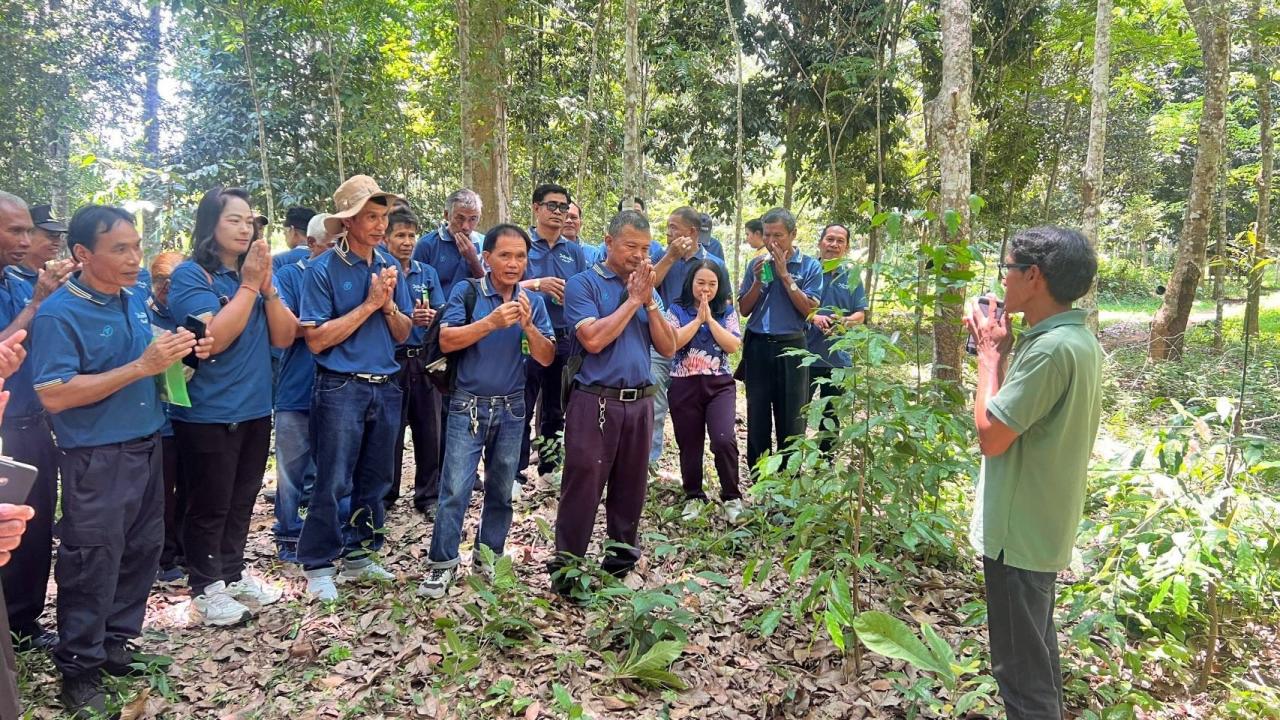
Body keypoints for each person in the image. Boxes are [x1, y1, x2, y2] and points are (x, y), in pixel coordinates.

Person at [31, 204, 211, 717]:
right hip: (95, 457)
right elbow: (56, 394)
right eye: (120, 249)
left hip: (145, 442)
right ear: (83, 254)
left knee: (140, 548)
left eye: (136, 245)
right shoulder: (60, 314)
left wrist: (181, 351)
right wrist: (140, 366)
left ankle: (115, 641)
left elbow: (150, 359)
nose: (135, 258)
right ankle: (78, 667)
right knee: (93, 558)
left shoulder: (131, 301)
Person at [965, 226, 1101, 720]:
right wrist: (998, 355)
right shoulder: (1076, 341)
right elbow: (1011, 417)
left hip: (1017, 534)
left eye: (1008, 269)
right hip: (1042, 526)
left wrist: (986, 355)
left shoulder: (1049, 351)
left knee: (1020, 674)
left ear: (1034, 276)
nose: (1003, 281)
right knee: (1035, 661)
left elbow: (992, 436)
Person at [168, 187, 296, 626]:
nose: (245, 229)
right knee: (210, 503)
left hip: (256, 406)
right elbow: (213, 340)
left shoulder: (254, 279)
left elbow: (284, 337)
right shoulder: (191, 276)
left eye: (249, 221)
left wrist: (268, 289)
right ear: (210, 226)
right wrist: (247, 286)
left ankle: (233, 573)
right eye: (233, 220)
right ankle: (206, 587)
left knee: (241, 498)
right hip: (208, 411)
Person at [418, 224, 555, 598]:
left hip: (512, 409)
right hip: (467, 405)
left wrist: (528, 327)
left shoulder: (534, 303)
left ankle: (489, 557)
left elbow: (545, 357)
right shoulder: (468, 292)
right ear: (487, 258)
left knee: (501, 490)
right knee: (454, 489)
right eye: (505, 255)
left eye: (521, 256)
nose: (513, 263)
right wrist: (491, 322)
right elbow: (447, 339)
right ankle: (442, 564)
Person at [297, 175, 413, 601]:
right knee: (331, 478)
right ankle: (318, 563)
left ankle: (361, 553)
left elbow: (402, 334)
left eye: (383, 216)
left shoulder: (387, 266)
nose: (380, 225)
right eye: (370, 216)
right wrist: (367, 305)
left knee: (376, 476)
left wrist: (388, 307)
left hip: (385, 385)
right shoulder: (322, 269)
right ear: (347, 222)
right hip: (340, 387)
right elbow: (316, 339)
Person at [549, 210, 676, 593]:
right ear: (608, 242)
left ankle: (620, 566)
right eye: (630, 246)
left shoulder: (647, 290)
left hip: (640, 402)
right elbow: (593, 340)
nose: (638, 255)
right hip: (595, 402)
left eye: (644, 248)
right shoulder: (584, 284)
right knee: (583, 486)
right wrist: (633, 300)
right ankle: (568, 571)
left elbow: (668, 346)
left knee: (631, 487)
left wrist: (649, 301)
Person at [0, 191, 74, 653]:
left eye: (30, 230)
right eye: (16, 231)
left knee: (34, 525)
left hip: (32, 422)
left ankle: (24, 624)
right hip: (4, 425)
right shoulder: (24, 289)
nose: (27, 241)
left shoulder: (14, 279)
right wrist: (37, 302)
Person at [737, 207, 823, 475]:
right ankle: (759, 474)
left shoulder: (809, 266)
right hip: (759, 344)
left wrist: (785, 275)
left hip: (792, 346)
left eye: (779, 235)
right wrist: (757, 284)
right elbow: (744, 309)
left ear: (793, 234)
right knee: (757, 412)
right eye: (767, 235)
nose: (772, 242)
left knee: (792, 414)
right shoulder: (756, 264)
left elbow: (809, 309)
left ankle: (789, 475)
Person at [272, 213, 335, 562]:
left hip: (337, 389)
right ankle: (286, 533)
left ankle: (325, 533)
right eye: (330, 245)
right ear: (310, 244)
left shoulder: (348, 273)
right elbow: (288, 326)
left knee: (332, 468)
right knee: (291, 470)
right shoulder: (289, 276)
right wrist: (323, 323)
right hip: (297, 387)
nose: (338, 251)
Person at [646, 206, 726, 478]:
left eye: (674, 228)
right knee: (654, 403)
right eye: (667, 228)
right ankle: (650, 461)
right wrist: (670, 257)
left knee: (691, 412)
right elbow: (647, 284)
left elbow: (723, 303)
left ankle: (699, 472)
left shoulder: (713, 262)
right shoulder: (662, 255)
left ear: (692, 232)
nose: (668, 233)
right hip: (660, 341)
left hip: (695, 349)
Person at [519, 183, 590, 481]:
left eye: (564, 207)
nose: (559, 213)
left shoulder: (574, 251)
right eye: (553, 206)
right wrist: (538, 284)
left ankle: (549, 467)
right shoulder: (521, 244)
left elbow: (586, 290)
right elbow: (501, 285)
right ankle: (514, 472)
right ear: (536, 208)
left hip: (564, 337)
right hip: (525, 336)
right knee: (520, 404)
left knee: (556, 405)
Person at [665, 260, 743, 522]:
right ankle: (694, 496)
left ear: (720, 286)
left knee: (723, 439)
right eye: (701, 283)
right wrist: (697, 320)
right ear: (691, 283)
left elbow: (732, 345)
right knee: (689, 443)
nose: (706, 289)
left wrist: (710, 319)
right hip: (683, 384)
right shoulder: (675, 309)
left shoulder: (727, 310)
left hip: (719, 384)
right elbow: (672, 342)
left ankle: (732, 497)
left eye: (712, 284)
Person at [381, 208, 444, 513]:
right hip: (391, 361)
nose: (406, 242)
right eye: (400, 235)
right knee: (389, 431)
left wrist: (432, 318)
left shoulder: (427, 272)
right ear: (386, 237)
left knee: (429, 430)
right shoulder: (380, 272)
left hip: (423, 360)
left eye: (411, 235)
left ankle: (428, 496)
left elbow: (445, 314)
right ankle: (386, 495)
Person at [146, 251, 192, 584]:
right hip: (158, 420)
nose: (169, 291)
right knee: (162, 491)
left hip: (187, 415)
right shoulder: (142, 314)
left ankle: (184, 550)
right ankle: (162, 559)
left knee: (188, 487)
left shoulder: (187, 312)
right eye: (164, 284)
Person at [805, 224, 867, 454]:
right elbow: (795, 304)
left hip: (838, 359)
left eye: (840, 241)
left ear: (847, 247)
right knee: (798, 411)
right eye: (830, 239)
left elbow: (861, 313)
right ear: (820, 242)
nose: (834, 244)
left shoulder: (851, 276)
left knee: (831, 414)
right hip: (806, 355)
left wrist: (844, 322)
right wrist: (814, 318)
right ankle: (793, 463)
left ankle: (825, 461)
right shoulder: (808, 270)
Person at [412, 188, 485, 298]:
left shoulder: (484, 243)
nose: (465, 226)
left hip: (475, 312)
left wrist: (473, 260)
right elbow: (417, 286)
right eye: (460, 218)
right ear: (446, 215)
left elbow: (490, 289)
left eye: (473, 219)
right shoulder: (427, 244)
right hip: (438, 310)